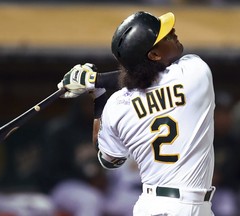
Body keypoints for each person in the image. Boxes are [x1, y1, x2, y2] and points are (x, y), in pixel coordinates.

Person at [58, 11, 216, 216]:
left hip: (155, 205)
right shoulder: (196, 71)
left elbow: (108, 160)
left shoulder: (117, 105)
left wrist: (97, 91)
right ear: (154, 55)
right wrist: (98, 80)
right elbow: (148, 76)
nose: (173, 32)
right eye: (165, 36)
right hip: (176, 207)